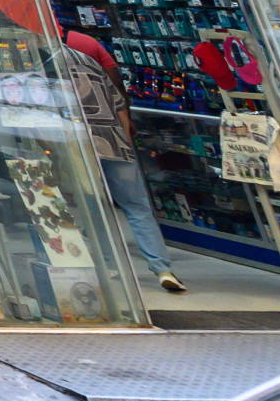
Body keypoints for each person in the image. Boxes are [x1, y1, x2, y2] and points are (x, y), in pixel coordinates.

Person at [64, 26, 188, 293]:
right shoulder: (91, 58)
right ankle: (162, 269)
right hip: (113, 142)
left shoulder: (49, 66)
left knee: (94, 206)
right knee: (137, 206)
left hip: (79, 144)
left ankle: (109, 265)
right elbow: (119, 99)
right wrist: (126, 139)